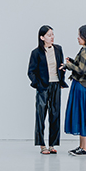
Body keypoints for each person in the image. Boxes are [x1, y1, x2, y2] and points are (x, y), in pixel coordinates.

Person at [27, 25, 67, 154]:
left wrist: (61, 79)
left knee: (55, 115)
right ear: (42, 37)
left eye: (53, 34)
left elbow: (61, 66)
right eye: (49, 35)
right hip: (43, 87)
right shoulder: (36, 52)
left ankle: (52, 144)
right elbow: (31, 71)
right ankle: (42, 145)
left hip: (56, 85)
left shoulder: (58, 49)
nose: (52, 37)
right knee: (40, 115)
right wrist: (37, 84)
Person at [63, 25, 86, 156]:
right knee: (82, 115)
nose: (78, 38)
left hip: (82, 87)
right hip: (81, 86)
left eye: (80, 35)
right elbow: (81, 66)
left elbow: (81, 70)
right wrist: (72, 62)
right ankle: (82, 147)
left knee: (84, 115)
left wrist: (68, 65)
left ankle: (85, 149)